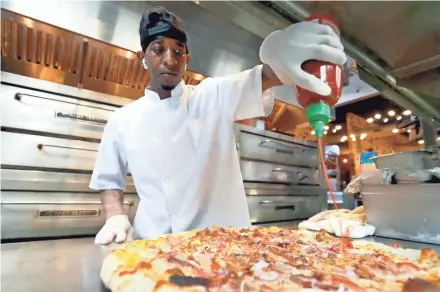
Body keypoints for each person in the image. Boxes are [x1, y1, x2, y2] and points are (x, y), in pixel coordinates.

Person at [90, 7, 346, 244]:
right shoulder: (122, 120)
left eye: (178, 51)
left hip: (223, 248)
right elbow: (108, 179)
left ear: (186, 58)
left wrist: (281, 60)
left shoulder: (211, 95)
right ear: (142, 57)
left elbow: (265, 77)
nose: (170, 59)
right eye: (158, 49)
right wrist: (115, 215)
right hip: (151, 244)